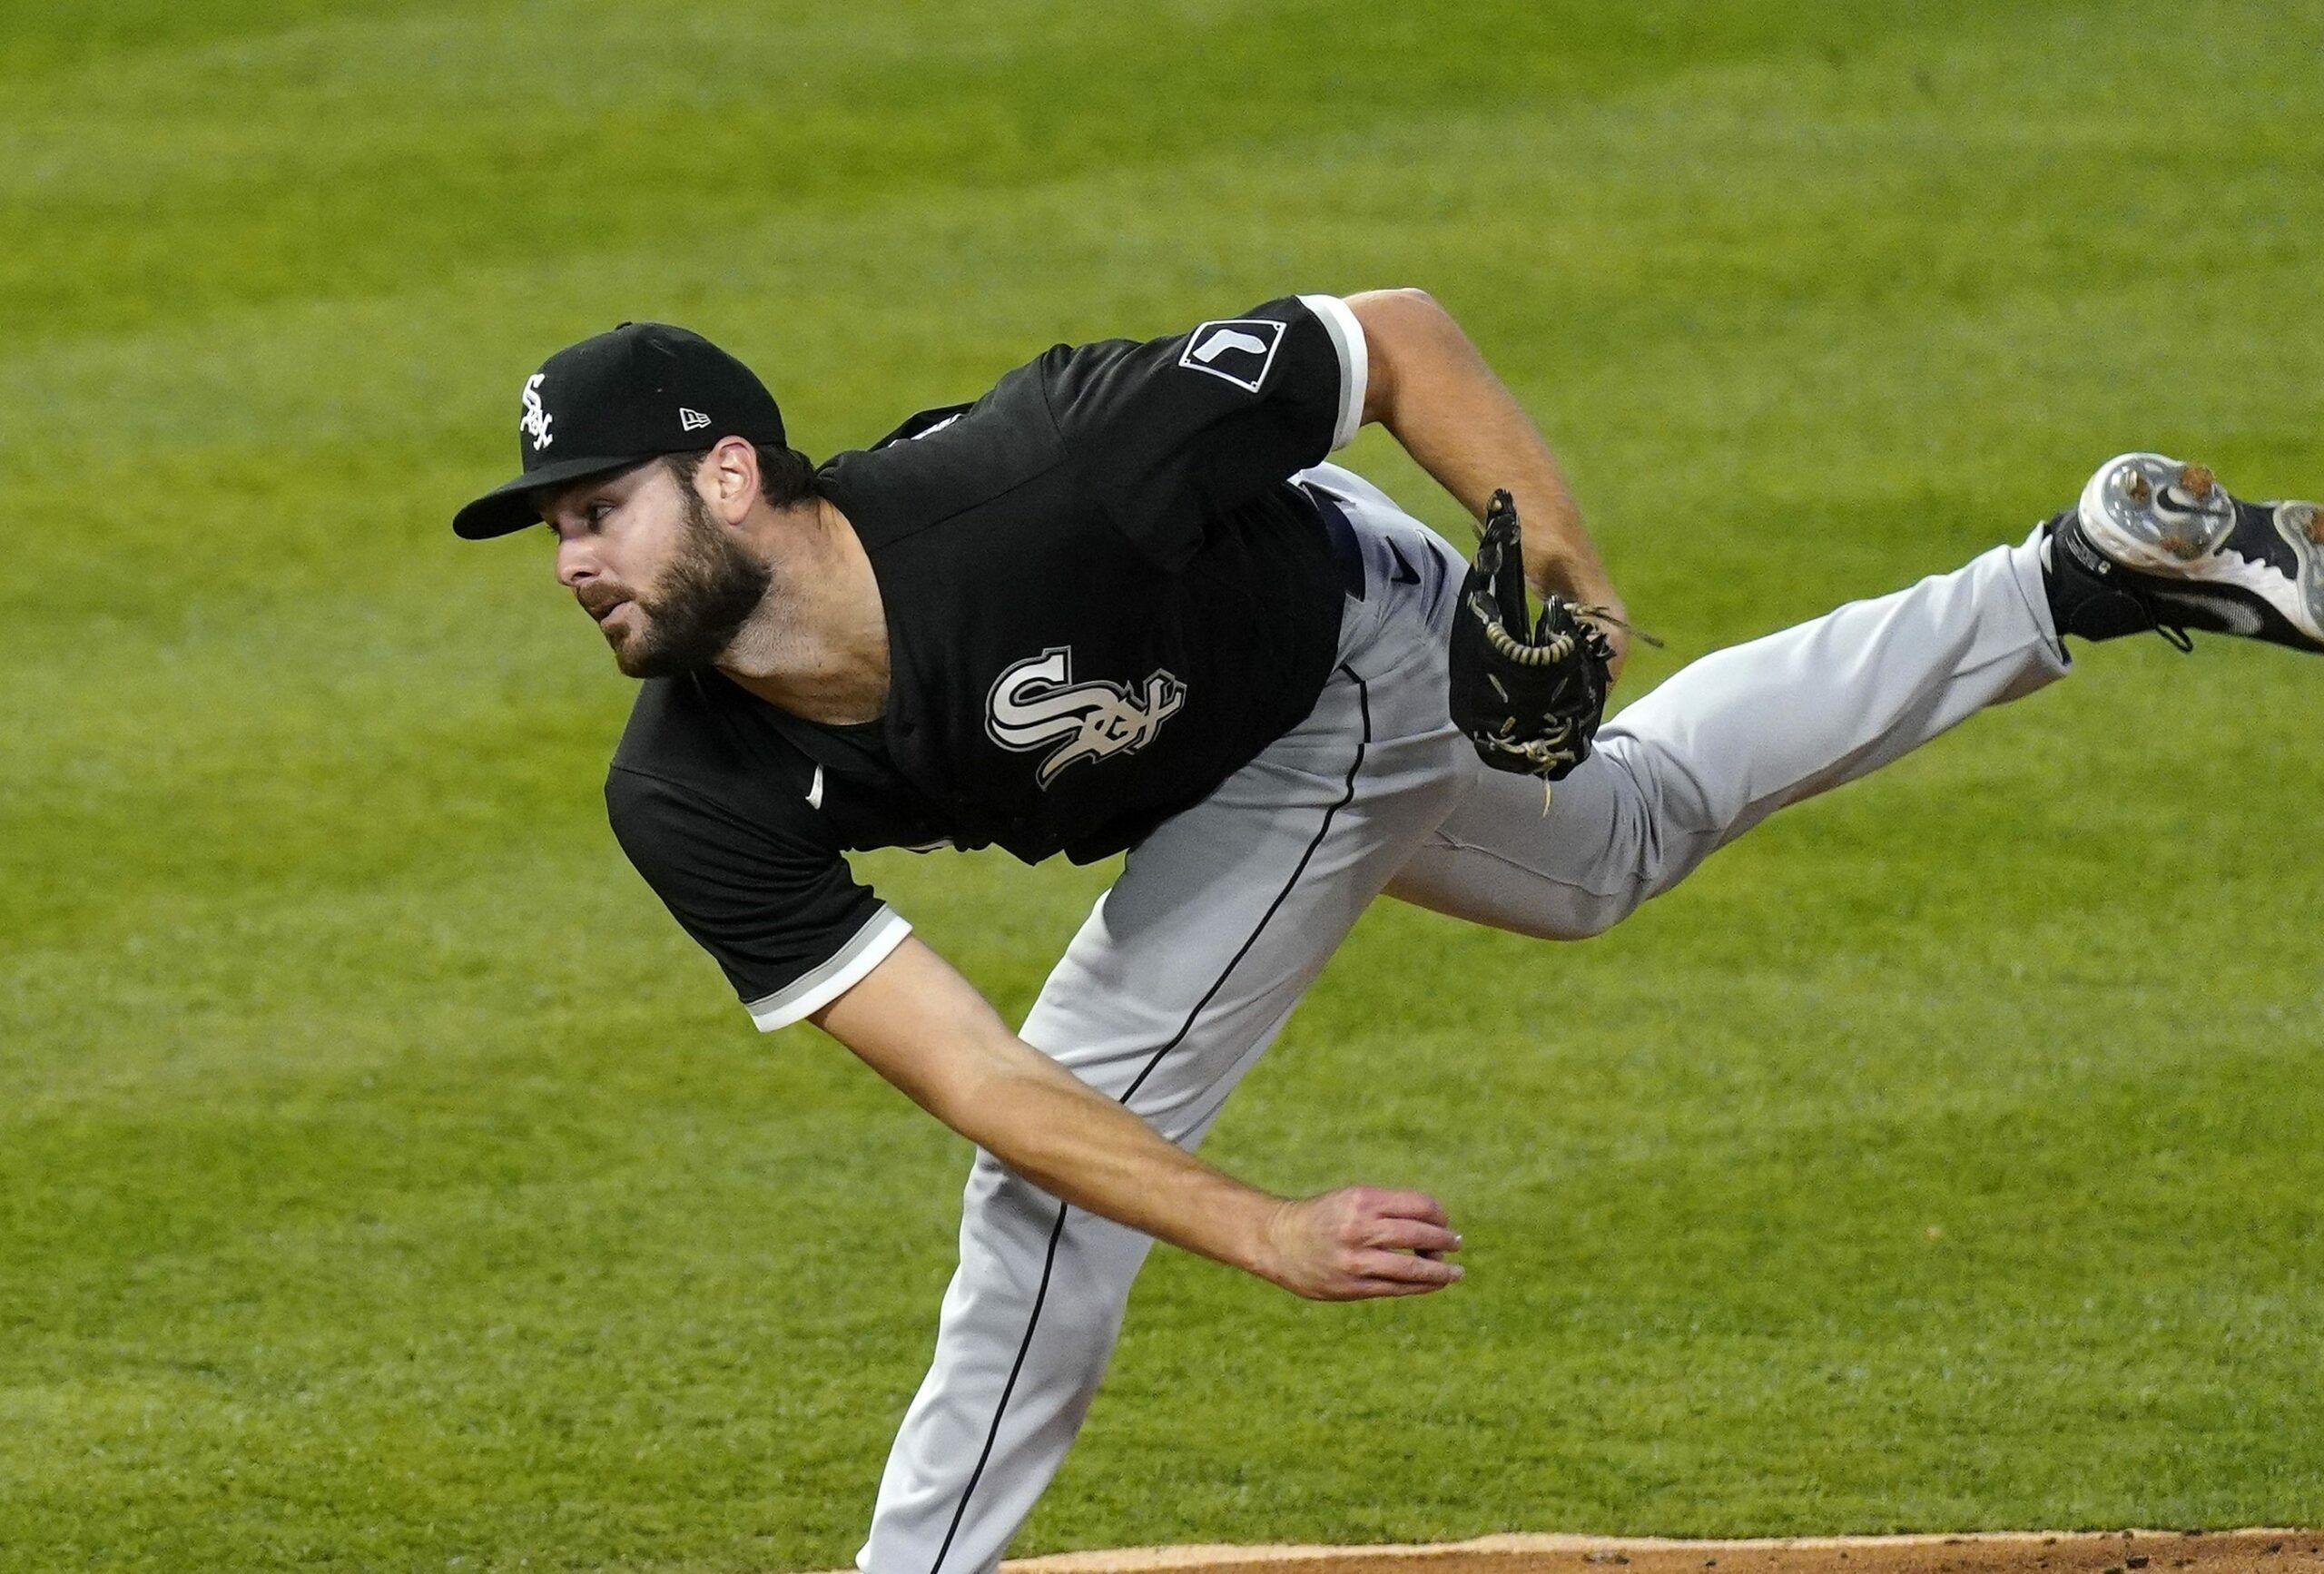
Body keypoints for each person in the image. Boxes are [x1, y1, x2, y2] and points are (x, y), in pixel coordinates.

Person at [452, 290, 2321, 1573]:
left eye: (594, 509)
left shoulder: (1050, 474)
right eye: (547, 527)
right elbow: (970, 1072)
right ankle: (2079, 572)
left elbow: (1391, 344)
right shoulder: (682, 790)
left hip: (1331, 665)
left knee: (1046, 1211)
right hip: (1227, 729)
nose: (567, 563)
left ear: (723, 474)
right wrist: (1251, 1226)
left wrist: (1567, 594)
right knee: (1615, 848)